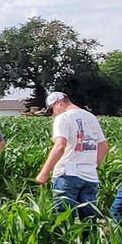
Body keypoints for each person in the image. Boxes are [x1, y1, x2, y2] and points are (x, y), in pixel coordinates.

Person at [35, 92, 109, 223]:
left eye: (52, 109)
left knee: (63, 219)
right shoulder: (91, 117)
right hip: (90, 176)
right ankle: (90, 243)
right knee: (89, 220)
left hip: (67, 174)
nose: (53, 114)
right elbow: (103, 147)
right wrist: (92, 166)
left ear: (59, 102)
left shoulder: (63, 118)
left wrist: (44, 173)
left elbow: (60, 146)